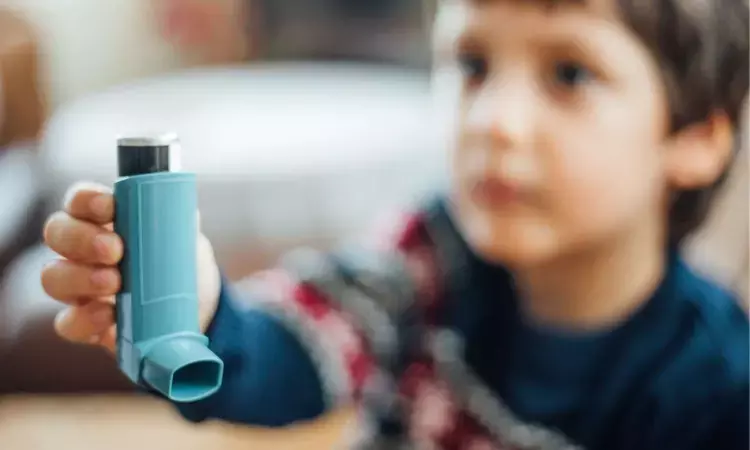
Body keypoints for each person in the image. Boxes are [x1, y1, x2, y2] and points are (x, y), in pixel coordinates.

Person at [40, 0, 749, 448]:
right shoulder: (425, 258)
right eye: (472, 64)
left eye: (570, 74)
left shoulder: (718, 388)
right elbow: (283, 355)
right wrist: (201, 316)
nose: (493, 120)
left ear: (697, 138)